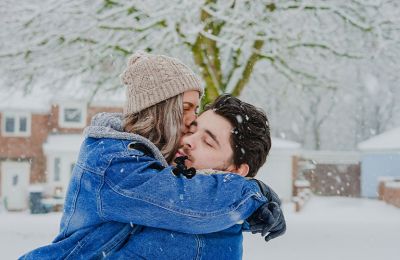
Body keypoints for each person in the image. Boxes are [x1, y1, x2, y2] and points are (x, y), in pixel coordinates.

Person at [20, 52, 284, 259]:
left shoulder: (202, 230)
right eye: (188, 118)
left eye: (207, 141)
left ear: (237, 171)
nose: (189, 138)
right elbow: (181, 200)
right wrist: (252, 194)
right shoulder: (117, 164)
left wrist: (250, 198)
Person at [108, 94, 284, 259]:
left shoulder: (190, 242)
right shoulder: (179, 206)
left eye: (208, 142)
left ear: (236, 170)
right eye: (191, 131)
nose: (187, 141)